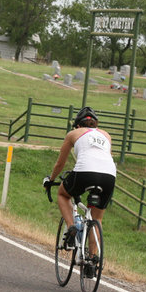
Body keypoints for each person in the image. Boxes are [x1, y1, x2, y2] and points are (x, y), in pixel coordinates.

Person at [42, 106, 116, 264]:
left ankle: (71, 228)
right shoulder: (106, 135)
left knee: (63, 194)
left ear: (77, 125)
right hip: (109, 175)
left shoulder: (73, 134)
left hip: (85, 172)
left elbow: (60, 163)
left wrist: (51, 179)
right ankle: (92, 259)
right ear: (95, 124)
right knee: (97, 218)